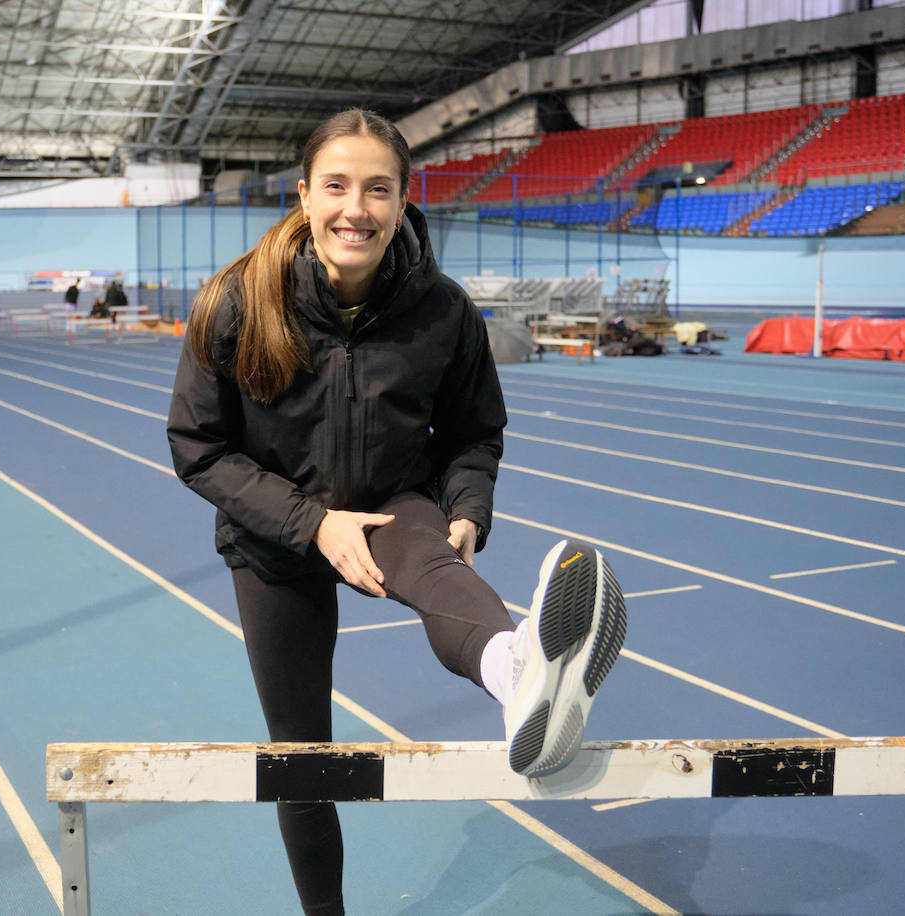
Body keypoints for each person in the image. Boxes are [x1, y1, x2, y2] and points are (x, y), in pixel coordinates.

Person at [166, 109, 626, 916]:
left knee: (439, 566)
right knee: (301, 759)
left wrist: (467, 509)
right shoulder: (236, 302)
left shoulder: (443, 311)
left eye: (378, 189)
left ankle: (519, 674)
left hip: (393, 504)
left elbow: (475, 432)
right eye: (337, 186)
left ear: (405, 197)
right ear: (304, 195)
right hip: (275, 536)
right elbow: (198, 448)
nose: (357, 208)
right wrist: (313, 524)